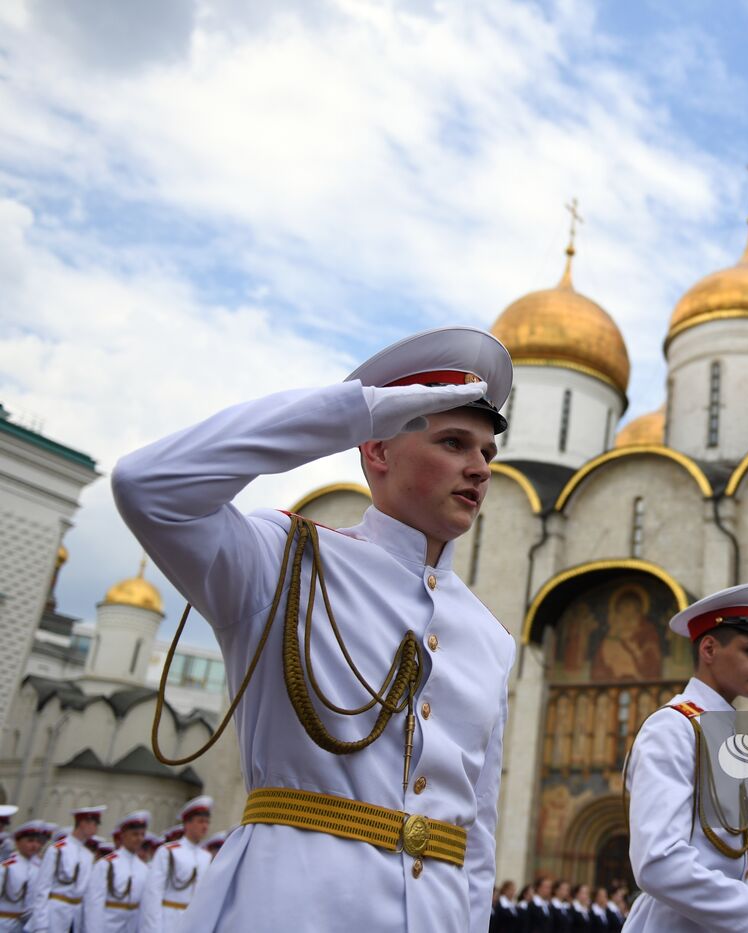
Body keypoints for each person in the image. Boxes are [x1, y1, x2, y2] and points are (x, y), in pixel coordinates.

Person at [112, 326, 515, 932]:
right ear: (376, 450)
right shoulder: (282, 560)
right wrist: (356, 409)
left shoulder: (490, 637)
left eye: (487, 452)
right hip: (287, 908)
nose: (479, 469)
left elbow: (475, 833)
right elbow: (149, 486)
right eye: (454, 442)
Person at [624, 582, 748, 933]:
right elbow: (657, 862)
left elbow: (727, 863)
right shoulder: (673, 727)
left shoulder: (725, 734)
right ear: (710, 649)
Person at [139, 796, 213, 933]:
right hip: (168, 921)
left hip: (193, 923)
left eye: (207, 822)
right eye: (201, 821)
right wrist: (153, 929)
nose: (205, 826)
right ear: (187, 823)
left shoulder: (206, 857)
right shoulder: (168, 852)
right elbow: (153, 894)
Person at [27, 805, 104, 933]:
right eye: (94, 824)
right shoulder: (57, 850)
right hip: (54, 913)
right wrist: (40, 924)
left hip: (75, 917)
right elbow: (42, 889)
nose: (96, 828)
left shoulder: (88, 856)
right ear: (83, 823)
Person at [83, 811, 149, 933]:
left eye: (142, 834)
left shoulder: (144, 869)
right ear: (123, 835)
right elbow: (94, 904)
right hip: (107, 926)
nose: (139, 839)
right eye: (135, 834)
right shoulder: (106, 864)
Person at [0, 821, 49, 931]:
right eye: (30, 841)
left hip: (24, 926)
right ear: (17, 842)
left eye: (39, 842)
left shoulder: (39, 869)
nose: (35, 845)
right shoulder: (7, 867)